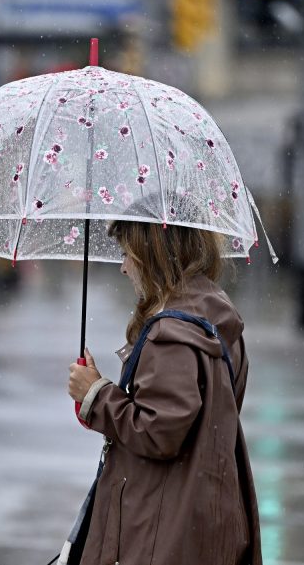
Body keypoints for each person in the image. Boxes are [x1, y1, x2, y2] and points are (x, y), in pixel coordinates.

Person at [66, 219, 261, 565]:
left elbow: (158, 432)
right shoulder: (218, 321)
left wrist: (95, 393)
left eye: (128, 254)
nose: (124, 267)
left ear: (151, 253)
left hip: (162, 531)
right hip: (208, 520)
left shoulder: (171, 333)